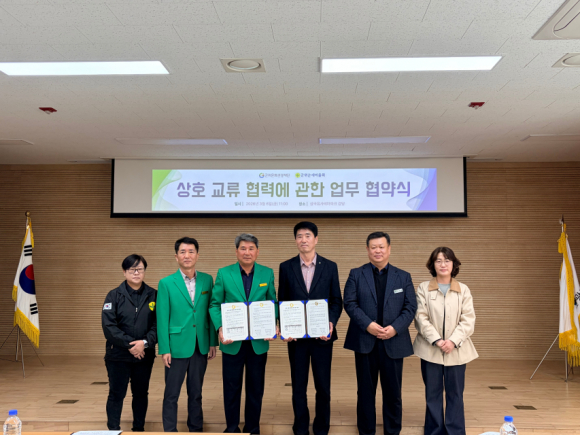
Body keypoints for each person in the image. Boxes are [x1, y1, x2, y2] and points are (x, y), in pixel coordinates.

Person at [343, 232, 417, 435]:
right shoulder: (356, 274)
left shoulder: (403, 276)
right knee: (365, 392)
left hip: (394, 342)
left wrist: (395, 328)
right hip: (365, 340)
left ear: (389, 249)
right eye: (373, 247)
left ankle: (392, 431)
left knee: (393, 392)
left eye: (381, 247)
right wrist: (367, 324)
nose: (378, 251)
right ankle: (366, 431)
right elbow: (350, 303)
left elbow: (410, 307)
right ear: (367, 250)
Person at [278, 221, 343, 435]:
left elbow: (336, 300)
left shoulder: (330, 266)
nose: (303, 240)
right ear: (295, 240)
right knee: (298, 385)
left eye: (307, 236)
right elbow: (282, 301)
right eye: (299, 236)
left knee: (323, 386)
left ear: (316, 239)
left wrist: (331, 322)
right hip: (296, 339)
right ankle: (301, 426)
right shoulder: (286, 267)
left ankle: (322, 427)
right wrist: (284, 326)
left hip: (322, 337)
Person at [209, 233, 278, 434]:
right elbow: (215, 304)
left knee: (256, 389)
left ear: (257, 251)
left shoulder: (267, 273)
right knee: (231, 388)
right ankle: (231, 428)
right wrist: (220, 327)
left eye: (251, 248)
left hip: (258, 341)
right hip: (232, 341)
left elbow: (272, 302)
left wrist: (273, 323)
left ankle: (252, 428)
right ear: (236, 251)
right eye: (243, 248)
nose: (247, 252)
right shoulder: (224, 273)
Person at [413, 247, 478, 435]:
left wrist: (453, 341)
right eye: (438, 260)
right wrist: (437, 340)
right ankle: (434, 431)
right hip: (430, 350)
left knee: (455, 394)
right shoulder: (423, 288)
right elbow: (420, 317)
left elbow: (468, 319)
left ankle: (455, 431)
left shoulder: (463, 289)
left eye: (447, 260)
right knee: (432, 394)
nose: (443, 264)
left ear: (453, 264)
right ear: (432, 264)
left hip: (457, 350)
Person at [157, 237, 218, 432]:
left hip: (200, 344)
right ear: (176, 257)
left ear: (197, 255)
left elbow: (210, 311)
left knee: (196, 393)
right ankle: (170, 431)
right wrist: (164, 348)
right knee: (171, 394)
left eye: (191, 251)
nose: (187, 255)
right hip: (176, 346)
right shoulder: (166, 283)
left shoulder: (207, 280)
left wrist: (212, 342)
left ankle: (196, 429)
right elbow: (162, 318)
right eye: (182, 252)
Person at [102, 254, 157, 432]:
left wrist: (144, 343)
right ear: (124, 272)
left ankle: (138, 429)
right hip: (118, 355)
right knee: (116, 393)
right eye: (132, 269)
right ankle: (113, 430)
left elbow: (159, 324)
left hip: (144, 354)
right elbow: (109, 327)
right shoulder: (113, 295)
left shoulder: (154, 295)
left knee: (141, 394)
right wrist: (132, 345)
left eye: (139, 269)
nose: (136, 273)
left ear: (144, 271)